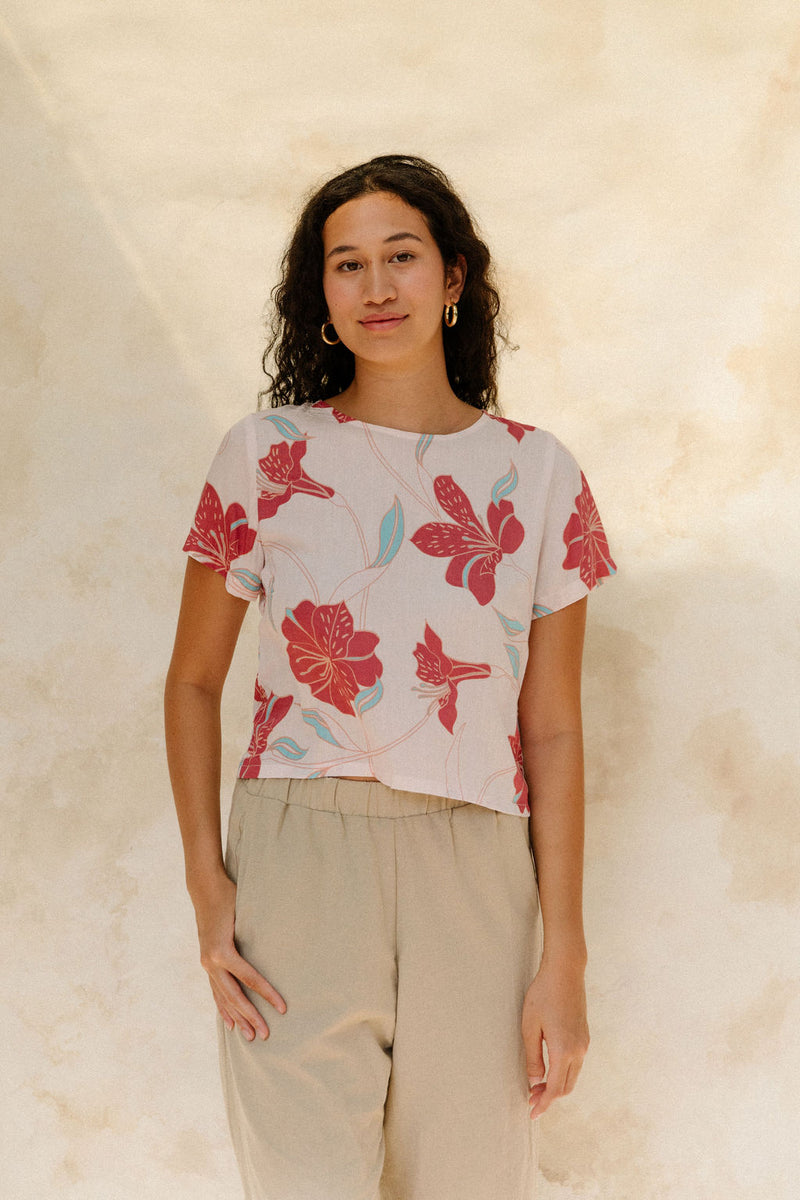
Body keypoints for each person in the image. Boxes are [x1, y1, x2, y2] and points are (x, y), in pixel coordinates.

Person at [164, 153, 616, 1200]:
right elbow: (192, 683)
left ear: (453, 278)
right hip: (295, 858)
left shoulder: (538, 473)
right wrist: (205, 882)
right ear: (317, 294)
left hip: (478, 867)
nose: (375, 287)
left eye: (401, 257)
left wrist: (565, 956)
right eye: (346, 263)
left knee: (468, 1181)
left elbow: (550, 730)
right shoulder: (264, 456)